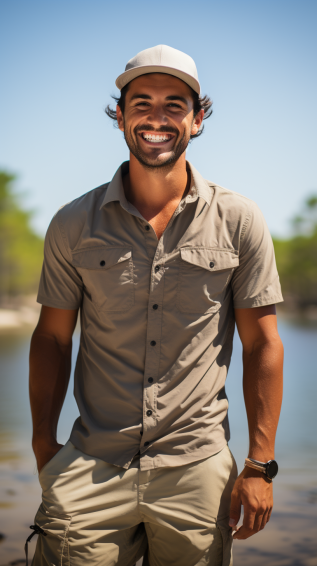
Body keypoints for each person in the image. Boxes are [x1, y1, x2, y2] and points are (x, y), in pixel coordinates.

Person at [28, 45, 284, 566]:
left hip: (197, 470)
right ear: (120, 116)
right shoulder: (73, 223)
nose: (157, 118)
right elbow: (52, 337)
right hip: (92, 463)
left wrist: (259, 465)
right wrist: (42, 446)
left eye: (175, 104)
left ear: (198, 118)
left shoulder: (240, 220)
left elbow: (263, 343)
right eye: (141, 102)